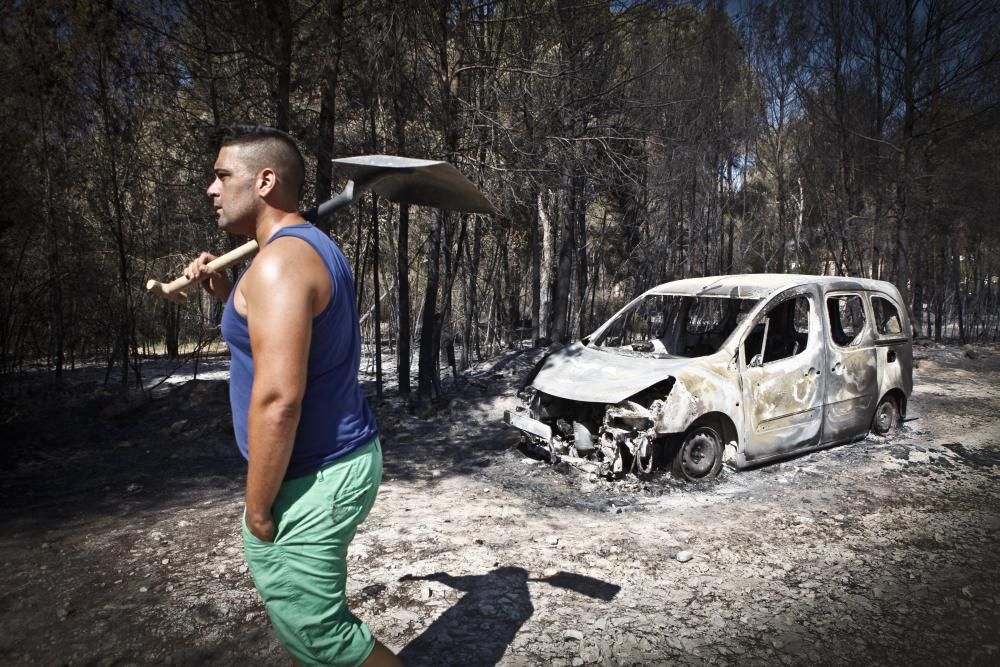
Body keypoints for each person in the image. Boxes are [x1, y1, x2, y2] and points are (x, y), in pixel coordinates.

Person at [184, 125, 401, 667]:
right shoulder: (301, 251)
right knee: (314, 630)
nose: (211, 189)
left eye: (221, 175)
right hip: (332, 461)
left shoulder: (280, 264)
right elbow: (270, 339)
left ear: (264, 180)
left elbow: (279, 399)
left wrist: (258, 509)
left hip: (315, 472)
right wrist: (228, 297)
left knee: (322, 636)